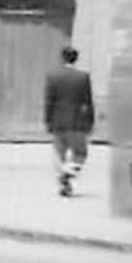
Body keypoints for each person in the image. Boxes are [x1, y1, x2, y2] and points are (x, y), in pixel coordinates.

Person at [44, 45, 95, 197]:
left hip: (58, 122)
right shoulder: (83, 77)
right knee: (80, 153)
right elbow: (88, 102)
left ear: (62, 58)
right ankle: (69, 173)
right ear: (76, 58)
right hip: (77, 122)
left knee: (58, 153)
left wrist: (48, 120)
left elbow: (49, 101)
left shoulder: (53, 76)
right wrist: (90, 121)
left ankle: (63, 175)